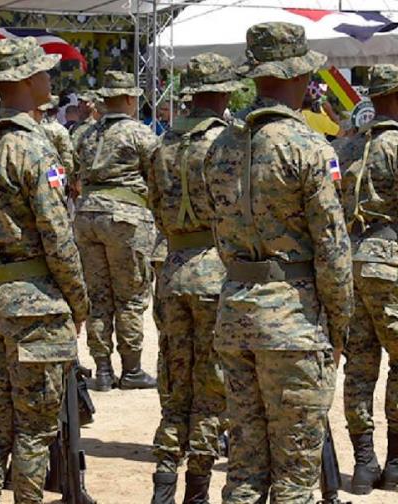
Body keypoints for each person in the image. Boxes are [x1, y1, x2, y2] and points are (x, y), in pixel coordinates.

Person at [205, 22, 352, 502]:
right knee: (294, 476)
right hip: (293, 321)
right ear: (297, 77)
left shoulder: (221, 146)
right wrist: (339, 323)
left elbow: (220, 235)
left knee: (245, 470)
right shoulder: (308, 147)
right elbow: (332, 248)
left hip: (236, 312)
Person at [0, 36, 89, 504]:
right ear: (26, 80)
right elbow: (57, 235)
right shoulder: (32, 145)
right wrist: (78, 300)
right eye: (44, 72)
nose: (50, 79)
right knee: (34, 429)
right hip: (33, 299)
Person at [147, 53, 240, 503]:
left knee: (174, 383)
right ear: (222, 92)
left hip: (173, 269)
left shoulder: (162, 144)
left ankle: (164, 478)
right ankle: (196, 489)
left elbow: (154, 208)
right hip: (215, 271)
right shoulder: (226, 142)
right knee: (211, 389)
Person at [71, 70, 158, 392]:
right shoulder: (140, 134)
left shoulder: (85, 134)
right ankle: (132, 369)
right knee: (131, 296)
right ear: (129, 99)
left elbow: (73, 175)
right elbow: (156, 177)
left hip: (87, 216)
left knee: (98, 296)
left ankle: (103, 370)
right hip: (126, 219)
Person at [338, 63, 398, 494]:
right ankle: (395, 462)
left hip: (350, 263)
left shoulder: (347, 146)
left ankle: (363, 464)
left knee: (358, 368)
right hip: (390, 263)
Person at [37, 95, 75, 171]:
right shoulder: (61, 130)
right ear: (57, 110)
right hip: (52, 172)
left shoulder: (34, 126)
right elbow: (67, 163)